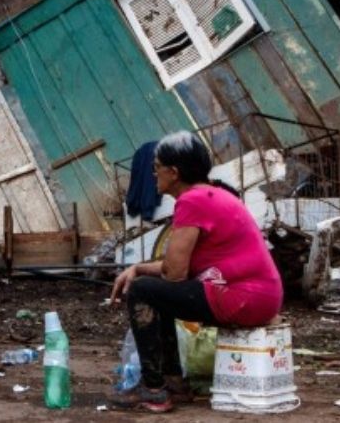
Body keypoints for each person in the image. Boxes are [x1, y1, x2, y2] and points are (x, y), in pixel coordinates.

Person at [109, 131, 283, 413]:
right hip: (259, 295)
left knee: (143, 290)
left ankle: (154, 389)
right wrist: (138, 267)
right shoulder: (211, 195)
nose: (154, 175)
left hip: (243, 296)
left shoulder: (192, 201)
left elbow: (175, 275)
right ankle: (173, 382)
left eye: (156, 168)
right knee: (153, 289)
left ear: (173, 172)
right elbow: (177, 269)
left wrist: (141, 275)